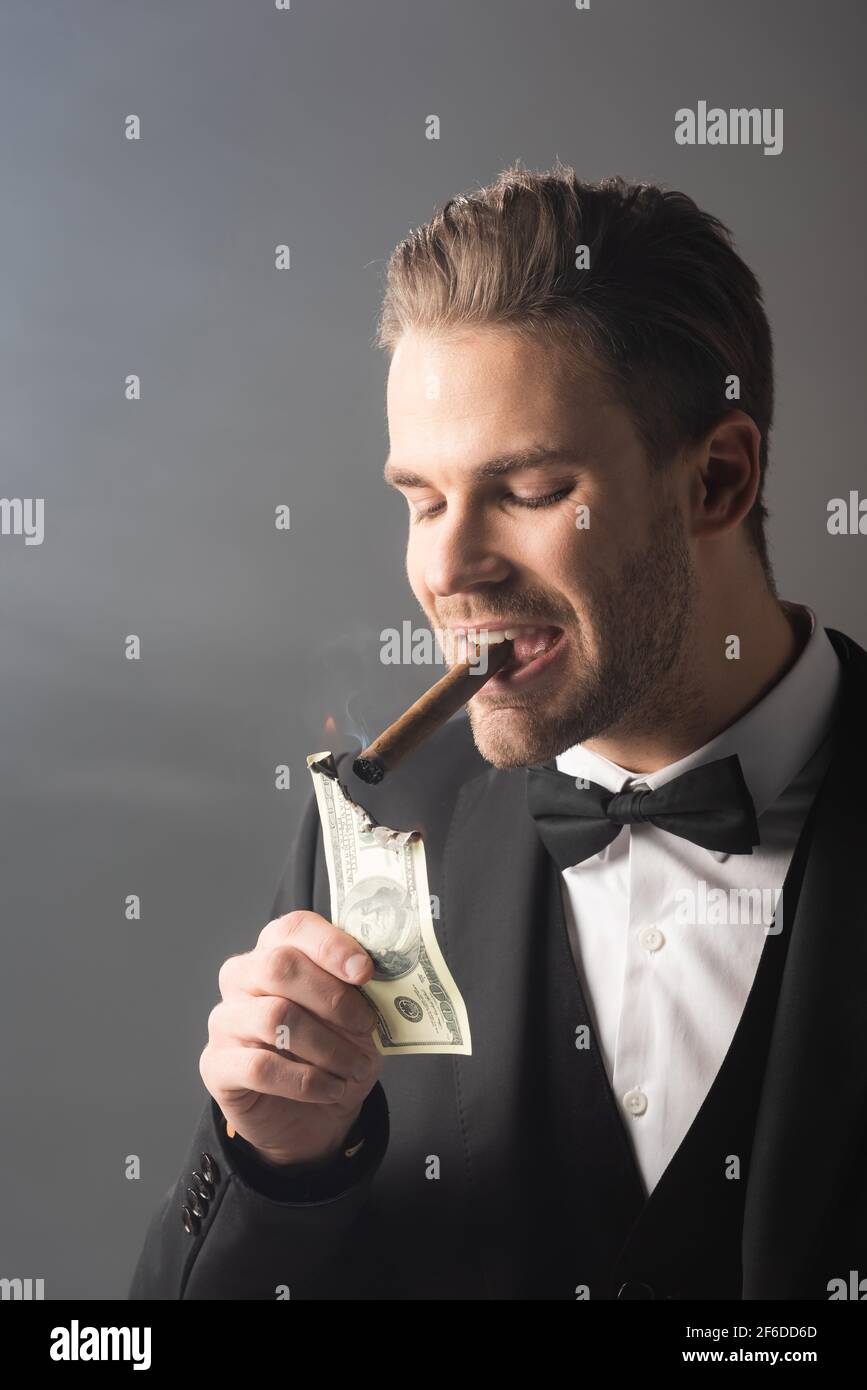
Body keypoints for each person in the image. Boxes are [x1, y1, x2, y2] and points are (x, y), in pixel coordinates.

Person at [129, 162, 867, 1300]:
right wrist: (278, 1161)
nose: (447, 567)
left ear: (716, 480)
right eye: (422, 499)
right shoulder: (377, 828)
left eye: (524, 490)